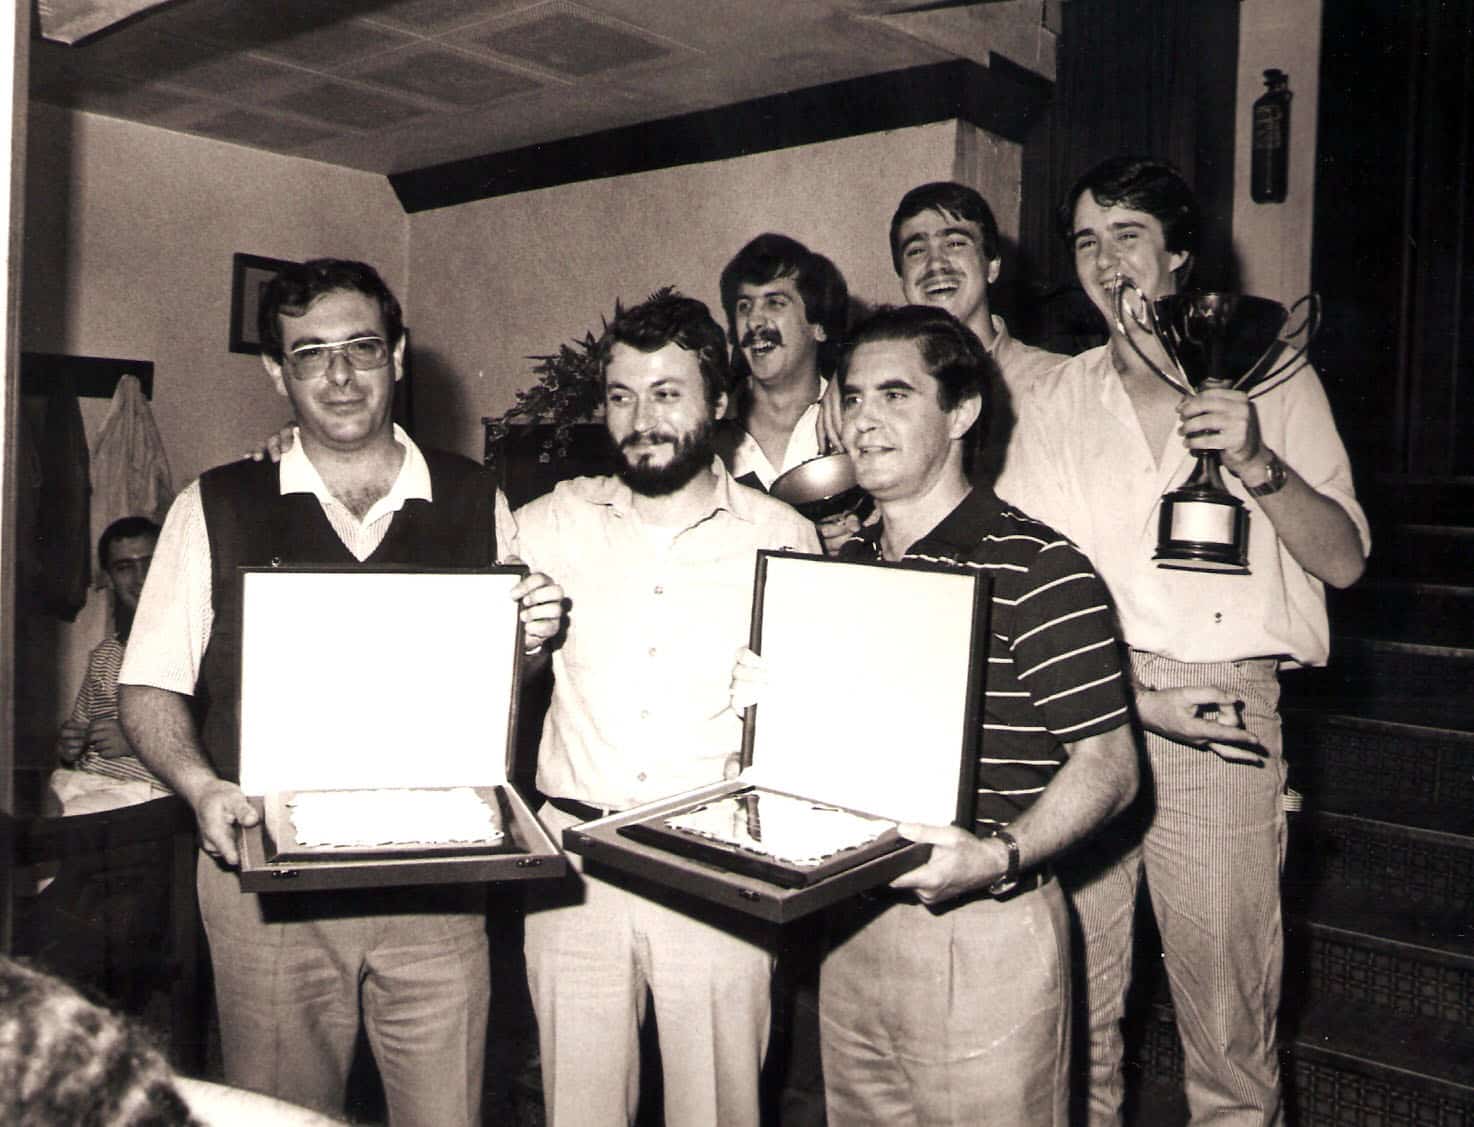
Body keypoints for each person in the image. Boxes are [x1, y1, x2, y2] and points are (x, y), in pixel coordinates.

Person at [117, 258, 566, 1127]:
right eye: (311, 353)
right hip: (271, 888)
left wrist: (533, 643)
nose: (340, 375)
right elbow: (148, 686)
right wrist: (201, 787)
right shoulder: (215, 503)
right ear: (276, 371)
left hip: (438, 881)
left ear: (396, 354)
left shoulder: (474, 496)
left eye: (361, 347)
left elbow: (507, 683)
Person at [998, 157, 1370, 1126]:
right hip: (1088, 712)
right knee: (1073, 1030)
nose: (1104, 260)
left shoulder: (1272, 376)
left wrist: (1253, 456)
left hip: (1221, 716)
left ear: (1178, 257)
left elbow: (1342, 561)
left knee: (1227, 1042)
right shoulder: (1057, 397)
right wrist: (1126, 698)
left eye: (1127, 235)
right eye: (1086, 240)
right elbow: (1028, 588)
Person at [739, 303, 1138, 1125]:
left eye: (896, 395)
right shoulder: (844, 568)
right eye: (853, 397)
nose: (864, 420)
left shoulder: (1040, 566)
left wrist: (996, 856)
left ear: (962, 412)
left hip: (983, 926)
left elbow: (1111, 764)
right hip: (852, 925)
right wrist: (767, 707)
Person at [510, 291, 820, 1127]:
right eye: (622, 395)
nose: (641, 419)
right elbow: (467, 647)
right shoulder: (549, 523)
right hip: (574, 868)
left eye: (667, 393)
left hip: (717, 868)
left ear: (718, 400)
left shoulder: (784, 537)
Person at [821, 181, 1066, 494]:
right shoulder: (857, 397)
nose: (935, 264)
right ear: (902, 278)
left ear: (992, 266)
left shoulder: (1056, 380)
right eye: (916, 251)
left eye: (955, 244)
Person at [48, 516, 171, 815]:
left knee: (61, 823)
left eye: (150, 562)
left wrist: (136, 741)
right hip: (86, 782)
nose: (140, 578)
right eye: (124, 567)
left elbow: (211, 740)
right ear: (109, 578)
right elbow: (78, 730)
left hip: (147, 793)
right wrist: (71, 746)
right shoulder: (104, 655)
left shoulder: (190, 646)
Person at [714, 232, 850, 491]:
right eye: (744, 306)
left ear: (819, 327)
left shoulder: (853, 419)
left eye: (775, 303)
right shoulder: (707, 428)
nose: (754, 321)